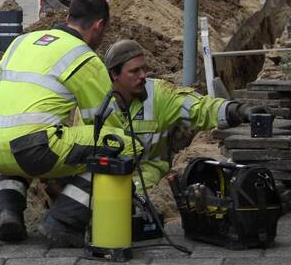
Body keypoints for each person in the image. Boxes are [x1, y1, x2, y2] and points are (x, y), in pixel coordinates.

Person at [0, 0, 134, 247]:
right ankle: (64, 220)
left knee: (19, 141)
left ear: (69, 16)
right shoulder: (83, 57)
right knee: (120, 144)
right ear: (99, 25)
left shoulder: (21, 41)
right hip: (33, 149)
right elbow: (104, 124)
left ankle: (8, 209)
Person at [103, 39, 273, 196]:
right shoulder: (97, 99)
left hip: (148, 183)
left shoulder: (158, 95)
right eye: (134, 71)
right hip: (106, 179)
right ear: (114, 75)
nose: (142, 76)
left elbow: (199, 107)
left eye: (144, 69)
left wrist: (237, 111)